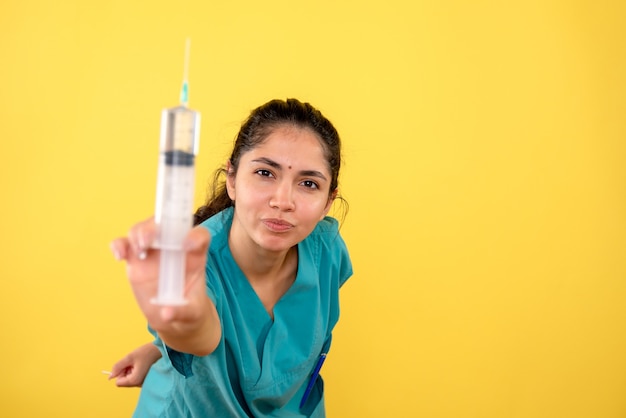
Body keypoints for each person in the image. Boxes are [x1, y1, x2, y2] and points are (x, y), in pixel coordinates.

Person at [109, 98, 353, 417]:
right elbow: (200, 332)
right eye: (265, 173)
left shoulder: (326, 250)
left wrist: (156, 352)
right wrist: (178, 320)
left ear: (328, 202)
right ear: (232, 179)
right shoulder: (194, 261)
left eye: (308, 183)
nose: (283, 200)